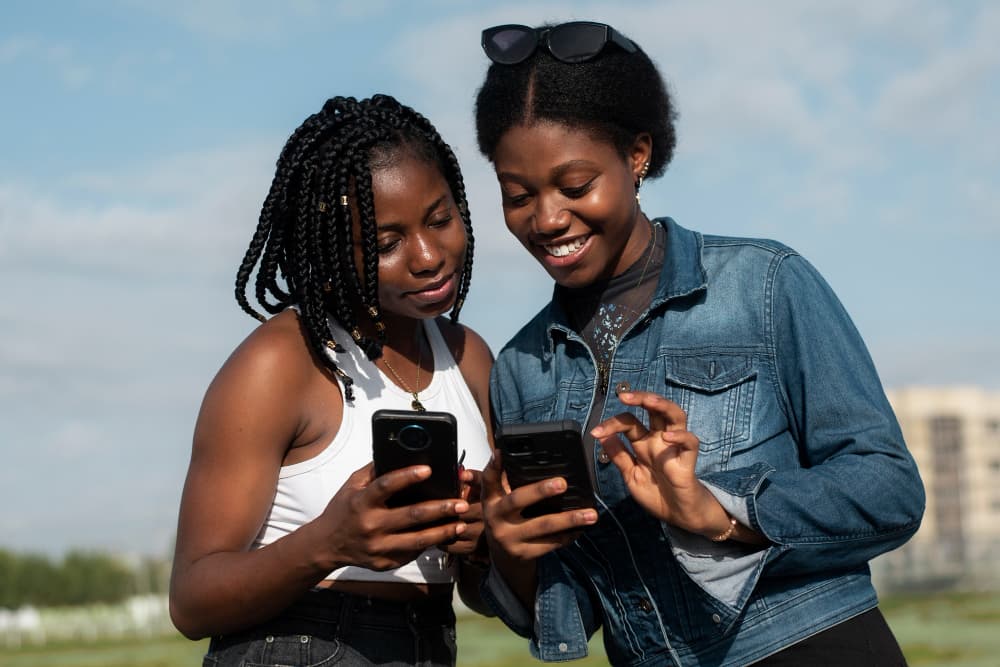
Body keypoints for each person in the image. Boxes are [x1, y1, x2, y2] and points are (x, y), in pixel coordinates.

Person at [473, 21, 924, 666]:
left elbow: (890, 491)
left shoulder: (763, 284)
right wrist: (511, 549)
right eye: (518, 196)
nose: (546, 219)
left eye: (575, 187)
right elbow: (572, 612)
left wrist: (718, 512)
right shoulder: (520, 370)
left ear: (637, 155)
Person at [169, 94, 494, 667]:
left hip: (430, 641)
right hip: (296, 642)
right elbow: (192, 601)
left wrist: (480, 541)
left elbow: (480, 592)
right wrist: (329, 543)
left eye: (441, 219)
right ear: (331, 252)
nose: (427, 256)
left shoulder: (468, 358)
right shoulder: (282, 361)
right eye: (387, 243)